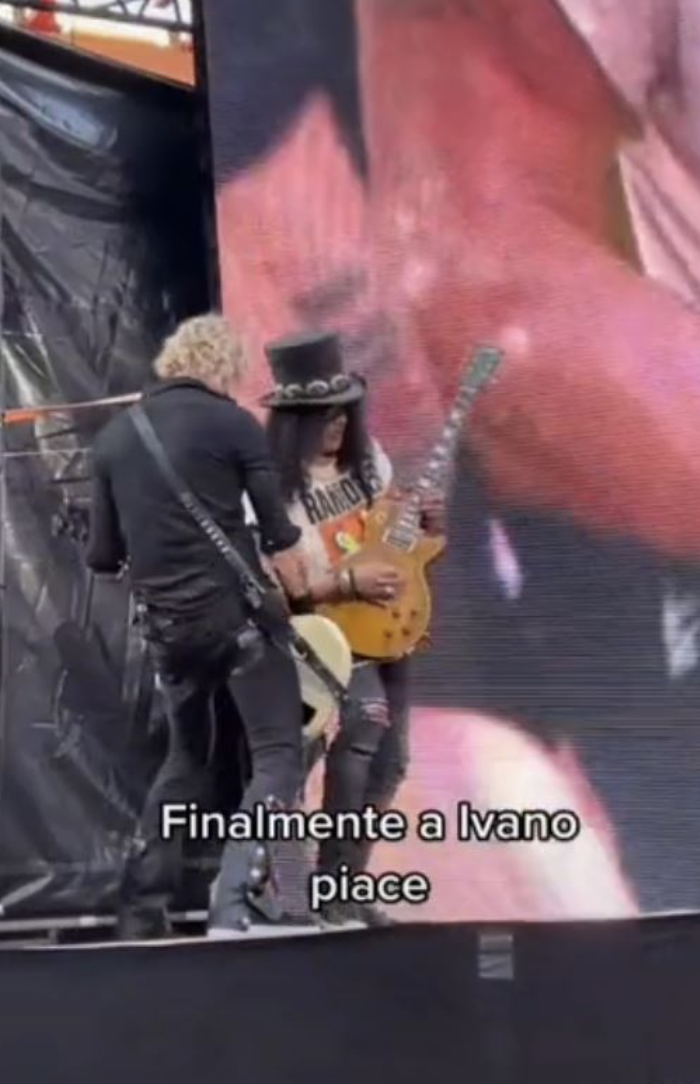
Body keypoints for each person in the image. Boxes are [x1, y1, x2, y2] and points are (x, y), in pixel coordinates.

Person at [86, 314, 318, 940]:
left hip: (170, 634)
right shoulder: (234, 425)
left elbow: (102, 557)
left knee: (186, 760)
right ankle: (234, 903)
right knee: (277, 755)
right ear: (224, 368)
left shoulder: (114, 439)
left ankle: (141, 911)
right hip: (240, 623)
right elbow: (279, 534)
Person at [261, 330, 445, 927]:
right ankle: (318, 889)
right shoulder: (270, 490)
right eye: (325, 415)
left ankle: (345, 884)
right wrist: (345, 583)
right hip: (327, 635)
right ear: (295, 422)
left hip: (389, 628)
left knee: (392, 761)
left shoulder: (371, 464)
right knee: (363, 731)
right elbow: (277, 588)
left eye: (344, 411)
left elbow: (397, 542)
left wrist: (424, 528)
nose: (338, 424)